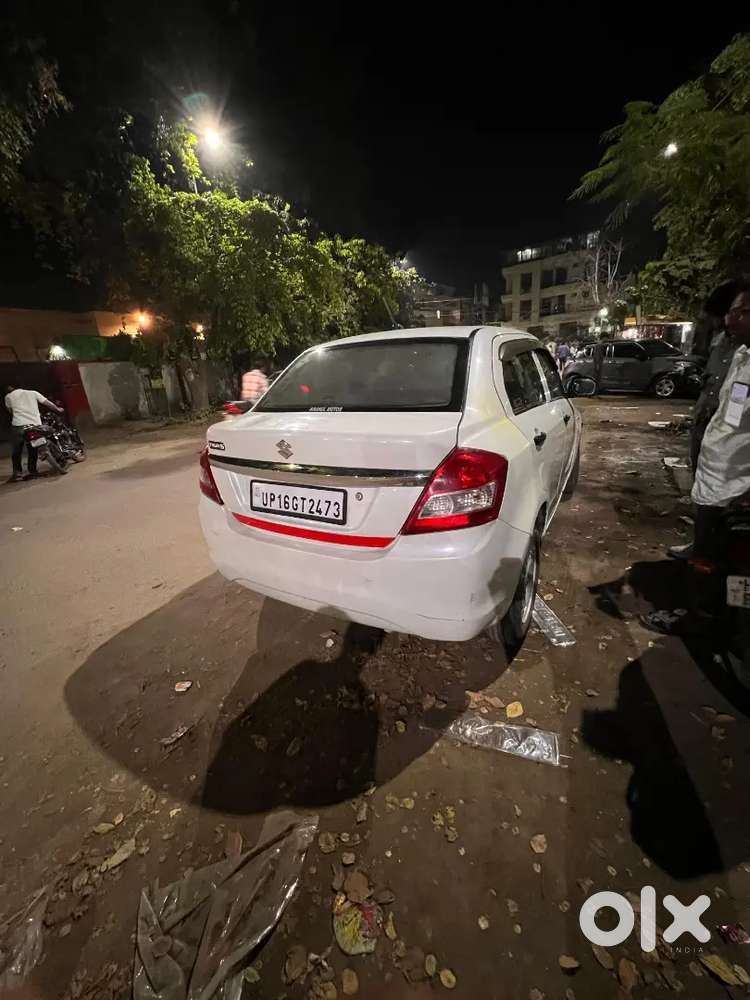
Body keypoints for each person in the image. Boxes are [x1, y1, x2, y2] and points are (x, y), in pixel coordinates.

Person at [643, 285, 750, 635]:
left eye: (741, 311)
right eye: (732, 311)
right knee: (714, 555)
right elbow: (730, 410)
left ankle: (702, 617)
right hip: (718, 474)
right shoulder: (741, 354)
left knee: (712, 559)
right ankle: (717, 613)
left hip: (736, 485)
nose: (731, 318)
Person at [668, 280, 742, 558]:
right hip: (708, 421)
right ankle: (701, 546)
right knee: (704, 484)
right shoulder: (721, 342)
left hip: (733, 432)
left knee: (729, 491)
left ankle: (720, 548)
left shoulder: (743, 351)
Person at [5, 384, 64, 482]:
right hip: (35, 424)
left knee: (17, 449)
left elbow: (10, 411)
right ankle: (32, 470)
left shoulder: (8, 396)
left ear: (11, 388)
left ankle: (17, 473)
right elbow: (47, 403)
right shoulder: (33, 393)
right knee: (33, 447)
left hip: (19, 425)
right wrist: (58, 409)